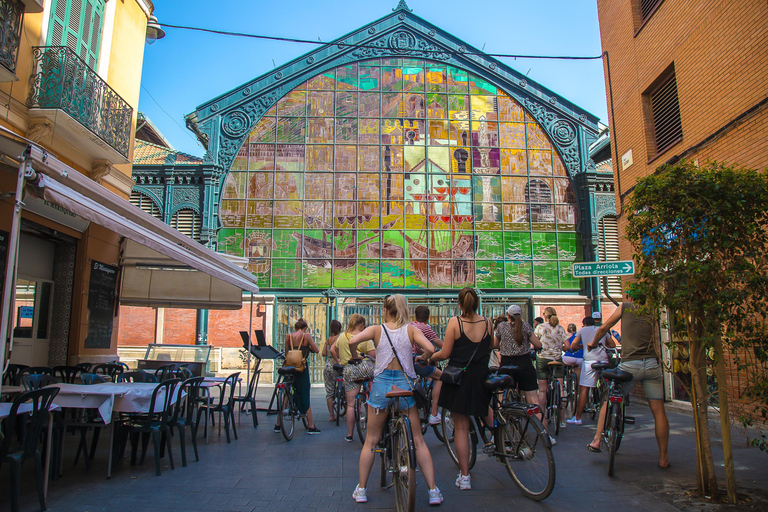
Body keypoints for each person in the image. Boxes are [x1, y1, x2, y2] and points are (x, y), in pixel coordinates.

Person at [348, 294, 443, 506]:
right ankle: (433, 490)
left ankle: (362, 489)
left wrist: (355, 356)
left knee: (371, 440)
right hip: (405, 386)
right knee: (418, 440)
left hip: (382, 387)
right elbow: (430, 348)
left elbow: (352, 340)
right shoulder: (411, 330)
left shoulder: (376, 329)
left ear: (385, 309)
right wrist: (423, 358)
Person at [587, 300, 670, 469]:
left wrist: (593, 343)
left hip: (631, 365)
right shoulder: (653, 307)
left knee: (609, 399)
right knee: (659, 411)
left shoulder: (625, 307)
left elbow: (603, 328)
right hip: (652, 364)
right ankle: (663, 458)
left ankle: (596, 440)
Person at [430, 288, 494, 491]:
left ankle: (465, 476)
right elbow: (489, 346)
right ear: (476, 303)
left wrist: (431, 357)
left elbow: (446, 352)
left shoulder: (455, 323)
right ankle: (504, 439)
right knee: (486, 409)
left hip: (460, 379)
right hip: (481, 377)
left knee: (461, 428)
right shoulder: (488, 322)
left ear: (460, 304)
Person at [275, 319, 321, 434]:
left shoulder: (288, 336)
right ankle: (310, 425)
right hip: (301, 369)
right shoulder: (306, 336)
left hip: (289, 368)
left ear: (296, 327)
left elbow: (287, 353)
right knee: (304, 393)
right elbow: (316, 350)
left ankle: (277, 424)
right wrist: (307, 348)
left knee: (286, 395)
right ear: (305, 327)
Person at [566, 316, 615, 425]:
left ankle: (578, 418)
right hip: (603, 361)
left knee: (584, 388)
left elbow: (573, 346)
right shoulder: (601, 330)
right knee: (605, 385)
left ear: (584, 324)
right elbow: (612, 345)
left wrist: (581, 346)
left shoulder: (582, 330)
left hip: (590, 362)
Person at [331, 314, 373, 442]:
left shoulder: (342, 336)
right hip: (363, 368)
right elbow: (373, 355)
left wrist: (340, 360)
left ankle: (349, 434)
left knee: (350, 405)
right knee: (372, 397)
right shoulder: (364, 337)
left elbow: (333, 350)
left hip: (348, 369)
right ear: (361, 325)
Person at [495, 305, 542, 414]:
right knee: (533, 399)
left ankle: (500, 420)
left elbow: (494, 344)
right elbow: (537, 344)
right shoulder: (526, 326)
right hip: (523, 363)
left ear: (508, 315)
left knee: (501, 396)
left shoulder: (501, 327)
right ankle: (541, 428)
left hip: (506, 364)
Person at [410, 305, 444, 425]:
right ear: (428, 317)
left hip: (407, 361)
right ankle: (434, 413)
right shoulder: (425, 327)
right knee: (441, 377)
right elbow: (439, 345)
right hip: (416, 361)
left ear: (415, 315)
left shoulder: (410, 325)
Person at [535, 307, 568, 430]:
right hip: (557, 359)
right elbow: (568, 345)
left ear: (545, 315)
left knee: (542, 391)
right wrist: (561, 348)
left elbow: (535, 343)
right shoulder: (560, 328)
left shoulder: (540, 327)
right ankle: (562, 419)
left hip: (543, 359)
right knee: (561, 389)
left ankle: (541, 417)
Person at [322, 319, 343, 421]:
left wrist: (329, 355)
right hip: (337, 364)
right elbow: (333, 351)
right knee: (345, 386)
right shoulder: (339, 338)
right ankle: (348, 410)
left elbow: (323, 353)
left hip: (328, 365)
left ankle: (332, 415)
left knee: (329, 391)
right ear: (339, 328)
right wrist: (338, 360)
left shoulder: (328, 339)